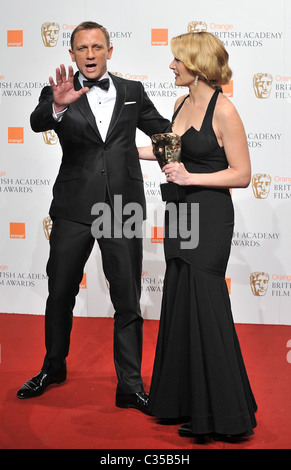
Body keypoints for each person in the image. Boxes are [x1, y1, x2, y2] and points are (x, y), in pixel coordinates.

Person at [17, 21, 170, 413]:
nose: (89, 54)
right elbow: (36, 122)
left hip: (122, 208)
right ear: (71, 54)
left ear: (109, 50)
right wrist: (58, 105)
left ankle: (130, 386)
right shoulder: (58, 91)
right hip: (73, 209)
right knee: (60, 293)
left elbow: (163, 132)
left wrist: (205, 127)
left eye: (97, 47)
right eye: (82, 48)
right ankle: (53, 367)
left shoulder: (133, 91)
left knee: (127, 299)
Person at [139, 31, 257, 438]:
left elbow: (242, 174)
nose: (171, 66)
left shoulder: (225, 112)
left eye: (177, 60)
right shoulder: (180, 103)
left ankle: (223, 415)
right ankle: (183, 403)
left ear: (197, 65)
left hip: (209, 216)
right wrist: (117, 147)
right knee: (181, 300)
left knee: (206, 306)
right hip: (179, 212)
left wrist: (192, 176)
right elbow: (169, 153)